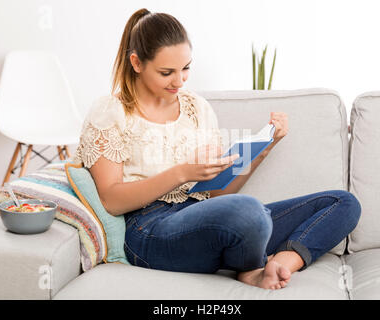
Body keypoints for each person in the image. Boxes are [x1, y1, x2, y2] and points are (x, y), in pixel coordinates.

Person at [73, 8, 361, 290]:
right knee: (249, 212)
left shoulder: (196, 108)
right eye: (166, 72)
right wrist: (181, 173)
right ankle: (251, 266)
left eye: (185, 68)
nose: (179, 81)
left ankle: (279, 263)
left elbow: (218, 195)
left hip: (206, 215)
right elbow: (111, 200)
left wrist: (263, 148)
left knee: (343, 203)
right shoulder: (110, 111)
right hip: (148, 229)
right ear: (136, 63)